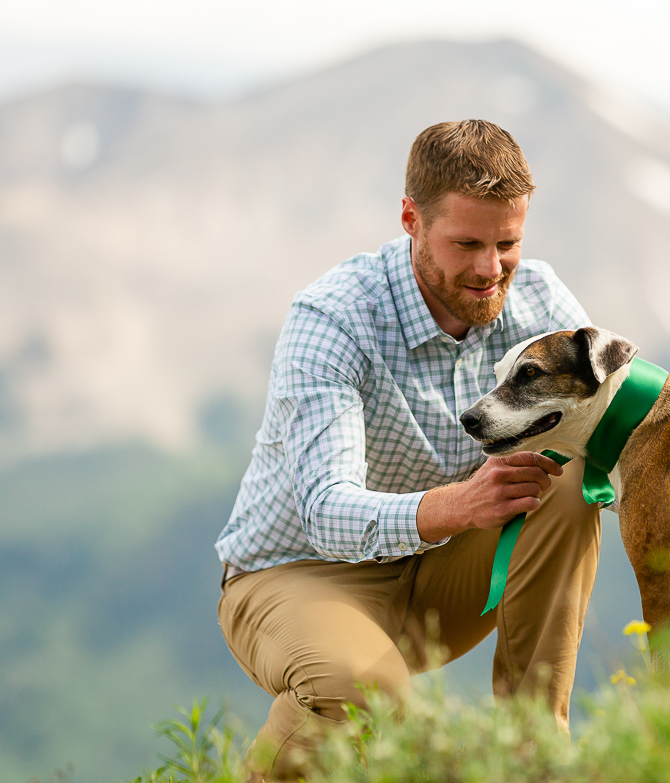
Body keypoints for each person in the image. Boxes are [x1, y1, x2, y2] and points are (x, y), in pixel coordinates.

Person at [215, 119, 600, 780]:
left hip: (440, 573)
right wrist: (459, 504)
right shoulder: (334, 318)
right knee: (364, 692)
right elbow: (325, 512)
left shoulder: (537, 298)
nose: (489, 269)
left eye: (507, 242)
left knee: (568, 471)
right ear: (410, 219)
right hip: (295, 573)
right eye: (467, 243)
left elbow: (622, 411)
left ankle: (534, 752)